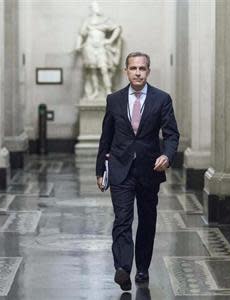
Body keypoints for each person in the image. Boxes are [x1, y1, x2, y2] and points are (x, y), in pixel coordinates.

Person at [95, 52, 180, 291]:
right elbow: (106, 137)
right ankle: (123, 268)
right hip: (120, 169)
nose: (138, 72)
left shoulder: (161, 99)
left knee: (147, 220)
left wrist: (167, 155)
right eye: (133, 68)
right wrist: (100, 169)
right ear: (126, 71)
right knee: (122, 219)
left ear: (148, 71)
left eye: (142, 68)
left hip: (149, 170)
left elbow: (172, 134)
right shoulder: (114, 100)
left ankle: (142, 267)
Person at [76, 1, 122, 99]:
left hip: (101, 47)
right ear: (91, 9)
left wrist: (110, 40)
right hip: (89, 47)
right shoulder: (87, 21)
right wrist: (78, 45)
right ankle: (96, 91)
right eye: (94, 6)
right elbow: (81, 34)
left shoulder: (105, 20)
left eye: (97, 6)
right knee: (92, 70)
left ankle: (108, 90)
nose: (96, 8)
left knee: (103, 68)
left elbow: (117, 28)